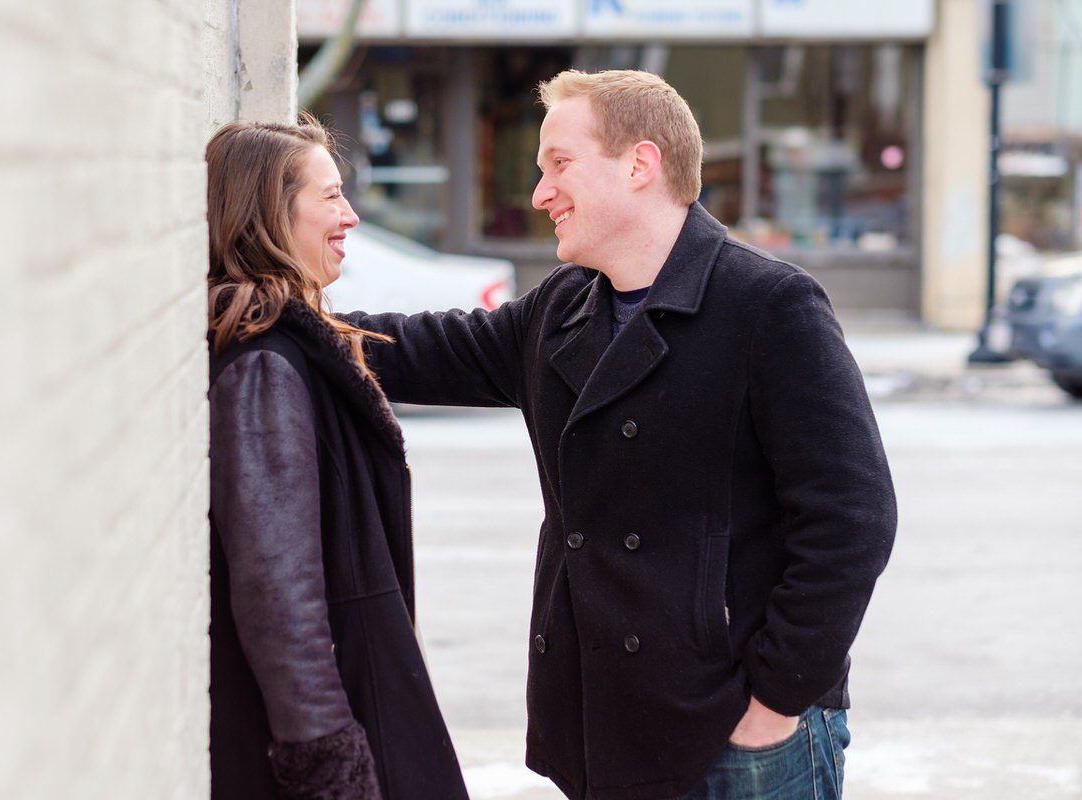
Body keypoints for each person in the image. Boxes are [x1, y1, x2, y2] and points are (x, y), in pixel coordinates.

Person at [346, 69, 898, 800]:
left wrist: (775, 701)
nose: (540, 193)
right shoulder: (563, 307)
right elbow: (416, 349)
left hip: (738, 733)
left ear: (641, 164)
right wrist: (279, 320)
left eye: (559, 165)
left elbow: (853, 519)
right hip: (606, 722)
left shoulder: (768, 305)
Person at [205, 117, 470, 800]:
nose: (350, 215)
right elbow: (278, 592)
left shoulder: (294, 345)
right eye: (329, 197)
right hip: (344, 722)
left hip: (363, 690)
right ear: (268, 213)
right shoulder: (265, 366)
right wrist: (328, 764)